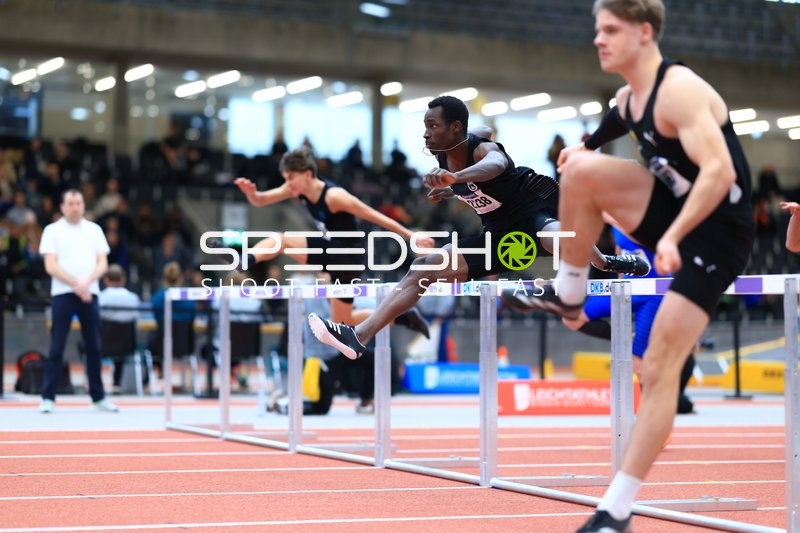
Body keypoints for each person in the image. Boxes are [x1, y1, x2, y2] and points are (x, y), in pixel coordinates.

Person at [514, 2, 755, 531]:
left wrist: (670, 238)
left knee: (658, 368)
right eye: (596, 29)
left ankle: (615, 509)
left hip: (718, 230)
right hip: (674, 209)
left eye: (610, 30)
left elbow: (717, 172)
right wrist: (581, 144)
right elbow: (613, 122)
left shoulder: (681, 90)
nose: (597, 39)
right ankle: (570, 290)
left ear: (644, 32)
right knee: (578, 170)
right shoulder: (629, 96)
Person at [307, 95, 650, 362]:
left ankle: (609, 261)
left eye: (432, 125)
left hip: (534, 219)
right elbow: (475, 178)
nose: (425, 132)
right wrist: (449, 186)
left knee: (560, 235)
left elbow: (495, 164)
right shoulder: (443, 155)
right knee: (421, 269)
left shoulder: (482, 149)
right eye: (424, 125)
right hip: (497, 237)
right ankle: (358, 336)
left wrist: (455, 178)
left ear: (456, 128)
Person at [231, 146, 434, 335]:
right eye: (285, 178)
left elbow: (374, 215)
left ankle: (245, 259)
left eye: (291, 178)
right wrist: (252, 194)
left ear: (308, 174)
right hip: (337, 259)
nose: (287, 184)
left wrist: (411, 235)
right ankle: (404, 318)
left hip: (347, 254)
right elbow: (261, 200)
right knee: (344, 322)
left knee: (281, 240)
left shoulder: (335, 196)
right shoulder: (297, 189)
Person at [502, 223, 695, 414]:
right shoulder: (615, 226)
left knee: (638, 363)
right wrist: (620, 295)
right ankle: (627, 337)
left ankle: (653, 421)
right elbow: (622, 258)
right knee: (572, 318)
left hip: (654, 291)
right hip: (628, 288)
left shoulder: (643, 217)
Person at [38, 189, 118, 413]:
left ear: (84, 205)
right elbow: (50, 265)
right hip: (63, 294)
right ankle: (48, 398)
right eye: (71, 203)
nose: (75, 207)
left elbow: (103, 263)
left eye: (79, 203)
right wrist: (76, 284)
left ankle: (98, 397)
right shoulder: (52, 231)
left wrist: (87, 284)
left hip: (89, 293)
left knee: (94, 346)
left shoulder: (94, 230)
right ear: (62, 206)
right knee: (56, 346)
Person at [98, 263, 142, 391]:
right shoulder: (133, 298)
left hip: (103, 344)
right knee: (119, 349)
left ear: (106, 280)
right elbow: (135, 318)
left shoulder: (100, 298)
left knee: (87, 344)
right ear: (123, 279)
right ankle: (116, 383)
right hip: (126, 346)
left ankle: (92, 381)